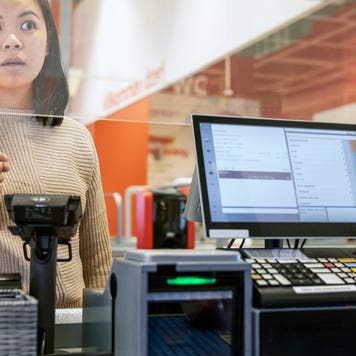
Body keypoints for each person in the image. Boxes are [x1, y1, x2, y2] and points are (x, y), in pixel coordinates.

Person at [0, 0, 112, 308]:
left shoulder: (77, 138)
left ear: (48, 43)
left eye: (27, 25)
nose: (12, 39)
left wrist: (104, 333)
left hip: (73, 330)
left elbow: (97, 261)